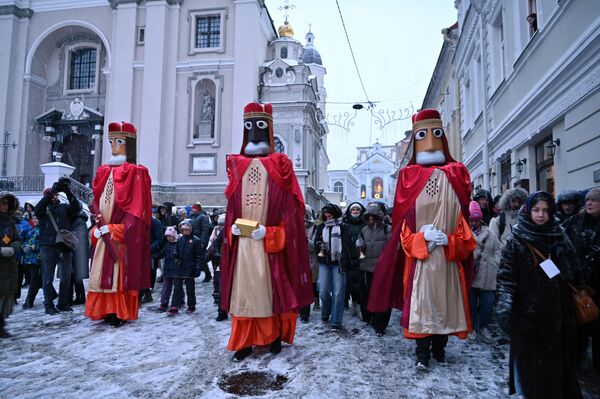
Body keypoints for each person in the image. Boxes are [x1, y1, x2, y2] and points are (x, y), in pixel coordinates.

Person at [368, 109, 476, 369]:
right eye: (423, 134)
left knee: (445, 305)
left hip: (448, 262)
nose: (429, 141)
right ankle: (422, 354)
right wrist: (422, 236)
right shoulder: (408, 177)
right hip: (421, 263)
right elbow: (402, 232)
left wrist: (449, 241)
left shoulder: (456, 173)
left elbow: (465, 232)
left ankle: (440, 349)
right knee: (423, 307)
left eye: (434, 133)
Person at [221, 102, 313, 361]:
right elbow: (230, 211)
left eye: (259, 125)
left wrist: (271, 233)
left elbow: (290, 219)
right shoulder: (237, 167)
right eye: (248, 125)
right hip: (243, 249)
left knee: (267, 293)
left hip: (266, 246)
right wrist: (232, 230)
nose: (253, 132)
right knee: (243, 296)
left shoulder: (279, 166)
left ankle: (271, 337)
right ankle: (244, 341)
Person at [496, 191, 583, 398]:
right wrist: (505, 305)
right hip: (528, 315)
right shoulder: (516, 240)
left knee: (557, 371)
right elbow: (506, 276)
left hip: (557, 316)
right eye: (536, 210)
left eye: (545, 210)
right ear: (528, 211)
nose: (541, 215)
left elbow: (573, 273)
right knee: (531, 372)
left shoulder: (559, 236)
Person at [84, 121, 152, 327]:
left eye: (119, 141)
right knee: (100, 274)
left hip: (119, 239)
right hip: (103, 234)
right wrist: (96, 229)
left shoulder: (136, 172)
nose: (114, 147)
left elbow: (136, 212)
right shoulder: (103, 172)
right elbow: (96, 202)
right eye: (111, 141)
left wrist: (117, 230)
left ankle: (119, 311)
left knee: (118, 276)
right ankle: (105, 309)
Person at [563, 187, 600, 375]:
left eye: (595, 200)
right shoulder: (573, 224)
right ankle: (574, 365)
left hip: (597, 286)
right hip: (578, 287)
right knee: (578, 329)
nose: (590, 203)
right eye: (588, 200)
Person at [34, 178, 81, 315]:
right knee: (47, 277)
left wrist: (67, 191)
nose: (54, 196)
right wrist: (51, 192)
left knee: (66, 276)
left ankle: (63, 303)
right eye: (51, 194)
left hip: (65, 246)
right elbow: (38, 209)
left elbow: (76, 208)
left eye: (55, 194)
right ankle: (48, 305)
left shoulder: (64, 208)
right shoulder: (43, 209)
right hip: (48, 245)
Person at [467, 201, 501, 344]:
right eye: (472, 220)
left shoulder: (490, 233)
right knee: (471, 304)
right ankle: (472, 328)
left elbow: (498, 249)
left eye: (476, 219)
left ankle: (483, 327)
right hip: (472, 274)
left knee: (488, 303)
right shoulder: (465, 233)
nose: (474, 222)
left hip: (488, 273)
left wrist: (495, 263)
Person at [355, 204, 391, 336]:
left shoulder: (387, 229)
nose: (371, 220)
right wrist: (360, 249)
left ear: (378, 217)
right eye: (368, 218)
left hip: (382, 269)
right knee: (368, 295)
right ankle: (370, 318)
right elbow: (361, 255)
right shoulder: (363, 231)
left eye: (373, 217)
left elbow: (391, 249)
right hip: (366, 268)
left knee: (382, 297)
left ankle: (380, 325)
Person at [315, 203, 349, 331]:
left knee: (338, 291)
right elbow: (316, 244)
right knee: (323, 289)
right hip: (324, 261)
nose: (328, 217)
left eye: (330, 215)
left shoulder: (343, 227)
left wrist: (344, 260)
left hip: (338, 262)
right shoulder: (321, 227)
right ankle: (326, 310)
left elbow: (346, 245)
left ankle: (336, 320)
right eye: (326, 215)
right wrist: (320, 244)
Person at [165, 220, 202, 315]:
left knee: (190, 288)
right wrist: (175, 256)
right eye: (183, 230)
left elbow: (199, 256)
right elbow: (176, 250)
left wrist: (197, 268)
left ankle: (191, 305)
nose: (185, 232)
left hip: (190, 267)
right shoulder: (180, 239)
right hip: (179, 266)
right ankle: (174, 306)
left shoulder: (196, 240)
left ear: (190, 230)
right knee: (177, 287)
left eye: (187, 230)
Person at [0, 192, 22, 338]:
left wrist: (13, 247)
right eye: (2, 203)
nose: (4, 206)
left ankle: (1, 325)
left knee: (5, 295)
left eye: (6, 204)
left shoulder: (10, 223)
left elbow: (18, 240)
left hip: (8, 264)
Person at [341, 202, 365, 317]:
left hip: (361, 257)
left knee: (360, 282)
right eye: (353, 210)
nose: (355, 211)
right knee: (350, 282)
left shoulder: (364, 223)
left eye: (357, 210)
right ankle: (354, 303)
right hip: (349, 256)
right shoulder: (345, 224)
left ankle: (360, 304)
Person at [299, 205, 319, 323]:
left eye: (304, 213)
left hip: (309, 263)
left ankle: (304, 314)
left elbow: (314, 247)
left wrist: (305, 239)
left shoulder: (315, 228)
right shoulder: (292, 225)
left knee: (306, 289)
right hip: (295, 263)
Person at [70, 211, 89, 306]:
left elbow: (79, 238)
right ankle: (79, 297)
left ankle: (80, 297)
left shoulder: (79, 221)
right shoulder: (79, 221)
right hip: (77, 252)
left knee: (76, 276)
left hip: (77, 252)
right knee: (75, 276)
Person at [21, 215, 41, 309]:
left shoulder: (43, 230)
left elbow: (44, 244)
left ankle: (28, 302)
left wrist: (35, 247)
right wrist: (24, 246)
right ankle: (53, 295)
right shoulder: (31, 230)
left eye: (37, 218)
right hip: (29, 259)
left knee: (34, 281)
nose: (35, 220)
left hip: (38, 259)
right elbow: (25, 240)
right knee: (37, 280)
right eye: (34, 218)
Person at [189, 202, 211, 282]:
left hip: (200, 241)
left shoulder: (203, 217)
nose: (192, 210)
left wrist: (202, 242)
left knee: (201, 259)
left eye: (194, 208)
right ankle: (191, 275)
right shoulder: (192, 217)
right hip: (193, 240)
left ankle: (208, 274)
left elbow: (205, 230)